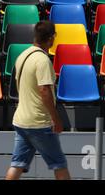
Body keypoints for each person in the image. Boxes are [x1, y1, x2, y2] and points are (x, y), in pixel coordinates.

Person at [5, 20, 71, 180]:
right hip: (39, 123)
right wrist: (56, 118)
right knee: (59, 163)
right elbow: (44, 91)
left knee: (17, 164)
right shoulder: (43, 61)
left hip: (21, 120)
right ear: (51, 38)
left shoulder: (22, 56)